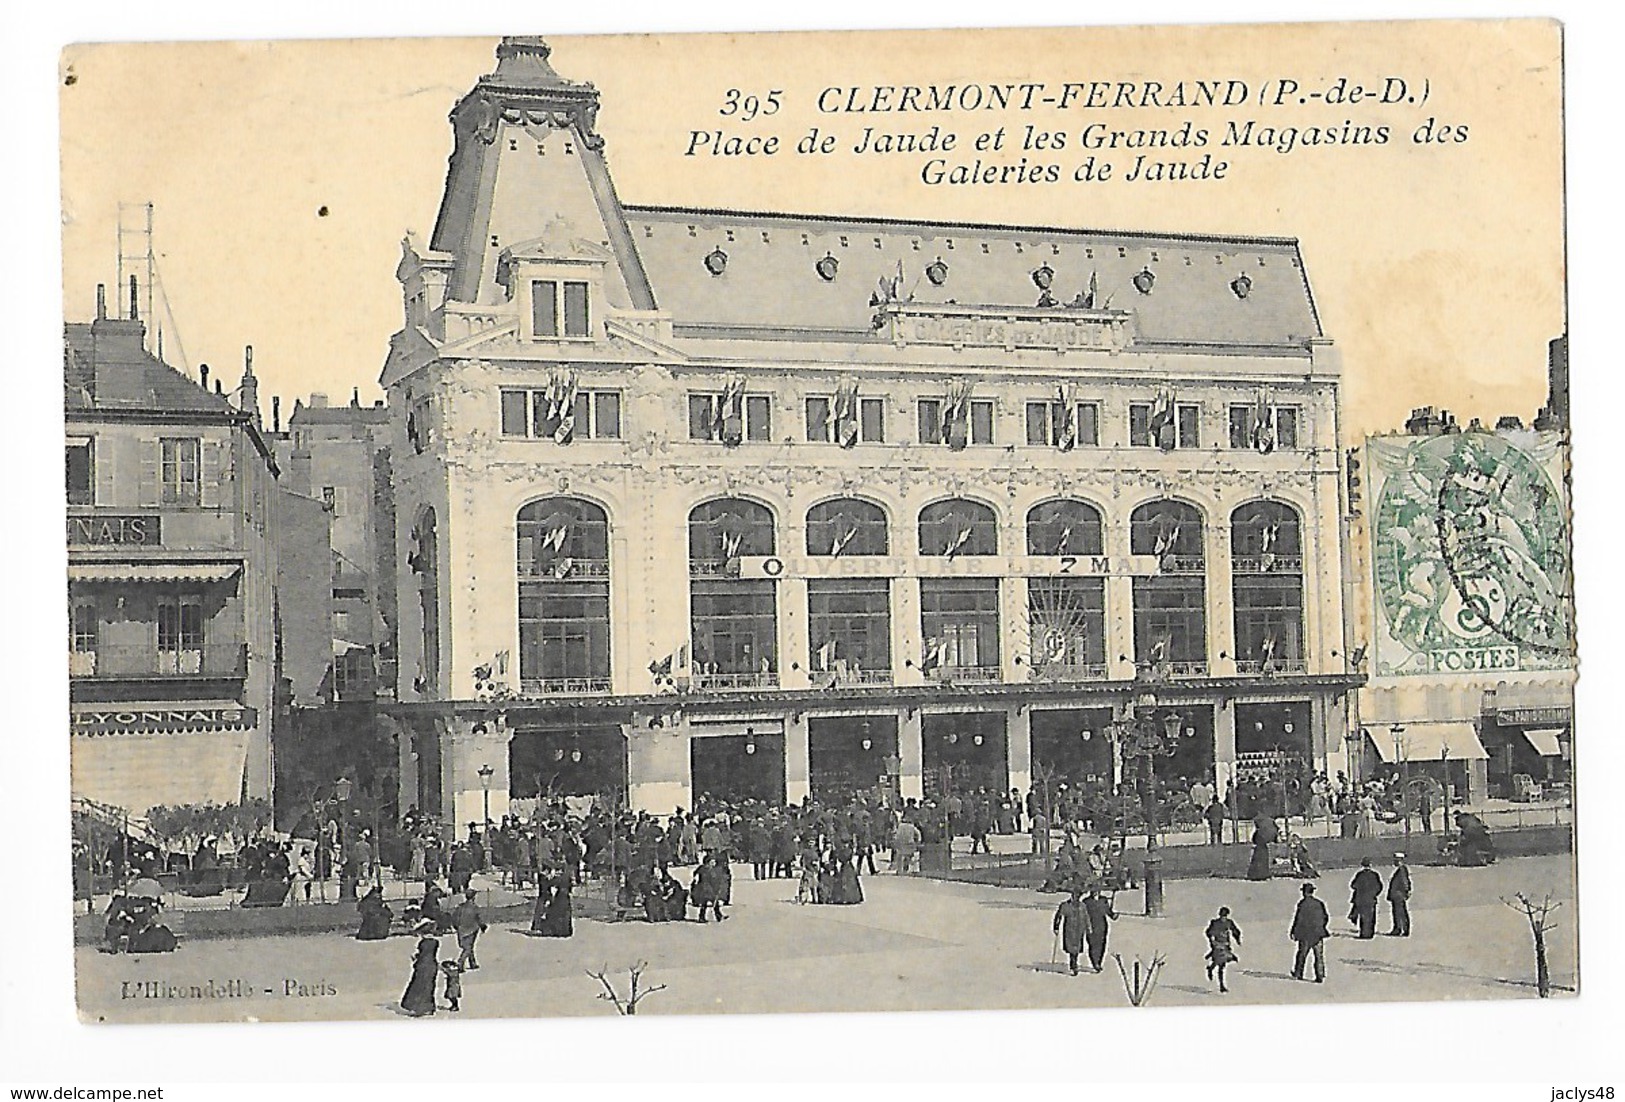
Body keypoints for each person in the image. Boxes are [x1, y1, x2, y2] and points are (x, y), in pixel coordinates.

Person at [1290, 882, 1330, 983]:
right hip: (1318, 933)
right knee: (1319, 956)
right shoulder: (1319, 903)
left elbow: (1298, 919)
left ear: (1304, 892)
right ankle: (1320, 975)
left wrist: (1293, 931)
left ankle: (1299, 973)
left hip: (1305, 934)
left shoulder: (1302, 904)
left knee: (1302, 954)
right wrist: (1321, 927)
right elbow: (1326, 917)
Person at [1204, 906, 1243, 993]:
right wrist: (1212, 939)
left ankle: (1211, 969)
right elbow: (1208, 932)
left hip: (1225, 945)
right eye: (1222, 916)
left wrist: (1237, 939)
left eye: (1225, 916)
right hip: (1217, 946)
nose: (1223, 918)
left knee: (1221, 964)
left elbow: (1235, 930)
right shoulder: (1215, 923)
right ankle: (1221, 984)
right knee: (1220, 964)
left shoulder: (1229, 923)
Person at [401, 934, 440, 1016]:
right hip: (432, 965)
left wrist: (416, 959)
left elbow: (423, 955)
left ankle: (419, 1008)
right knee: (429, 987)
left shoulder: (423, 943)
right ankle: (429, 1007)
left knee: (419, 987)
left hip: (423, 966)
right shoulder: (435, 942)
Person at [1053, 887, 1087, 975]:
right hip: (1069, 929)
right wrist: (1056, 927)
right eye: (1076, 896)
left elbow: (1086, 917)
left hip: (1079, 929)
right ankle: (1074, 964)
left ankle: (1074, 963)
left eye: (1078, 896)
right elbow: (1058, 916)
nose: (1077, 898)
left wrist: (1088, 927)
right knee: (1071, 948)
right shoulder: (1065, 905)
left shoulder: (1082, 906)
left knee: (1077, 948)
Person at [1082, 887, 1117, 972]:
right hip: (1091, 926)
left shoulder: (1103, 900)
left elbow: (1107, 911)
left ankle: (1099, 962)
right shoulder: (1086, 901)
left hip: (1102, 926)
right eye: (1093, 891)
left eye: (1096, 891)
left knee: (1102, 945)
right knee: (1093, 945)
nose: (1095, 892)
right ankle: (1095, 963)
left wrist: (1113, 915)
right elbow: (1082, 914)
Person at [451, 888, 487, 969]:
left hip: (461, 930)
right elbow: (478, 919)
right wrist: (483, 926)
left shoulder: (460, 907)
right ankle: (460, 962)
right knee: (468, 948)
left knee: (468, 947)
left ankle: (472, 963)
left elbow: (454, 917)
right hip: (472, 929)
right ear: (473, 897)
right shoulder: (475, 908)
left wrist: (456, 926)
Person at [530, 871, 573, 937]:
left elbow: (553, 882)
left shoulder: (562, 878)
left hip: (561, 898)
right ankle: (561, 930)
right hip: (562, 898)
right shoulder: (564, 876)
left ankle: (555, 929)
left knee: (557, 912)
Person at [1349, 857, 1383, 939]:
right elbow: (1380, 887)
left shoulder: (1360, 875)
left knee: (1363, 918)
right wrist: (1374, 894)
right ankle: (1370, 933)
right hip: (1371, 899)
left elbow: (1353, 885)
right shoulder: (1375, 875)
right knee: (1371, 917)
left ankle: (1363, 933)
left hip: (1361, 900)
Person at [1387, 853, 1413, 936]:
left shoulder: (1401, 870)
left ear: (1399, 860)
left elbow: (1404, 881)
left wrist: (1406, 891)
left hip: (1398, 895)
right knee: (1402, 912)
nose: (1394, 862)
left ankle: (1398, 929)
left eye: (1396, 860)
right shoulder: (1402, 869)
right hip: (1399, 894)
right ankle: (1403, 929)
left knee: (1398, 912)